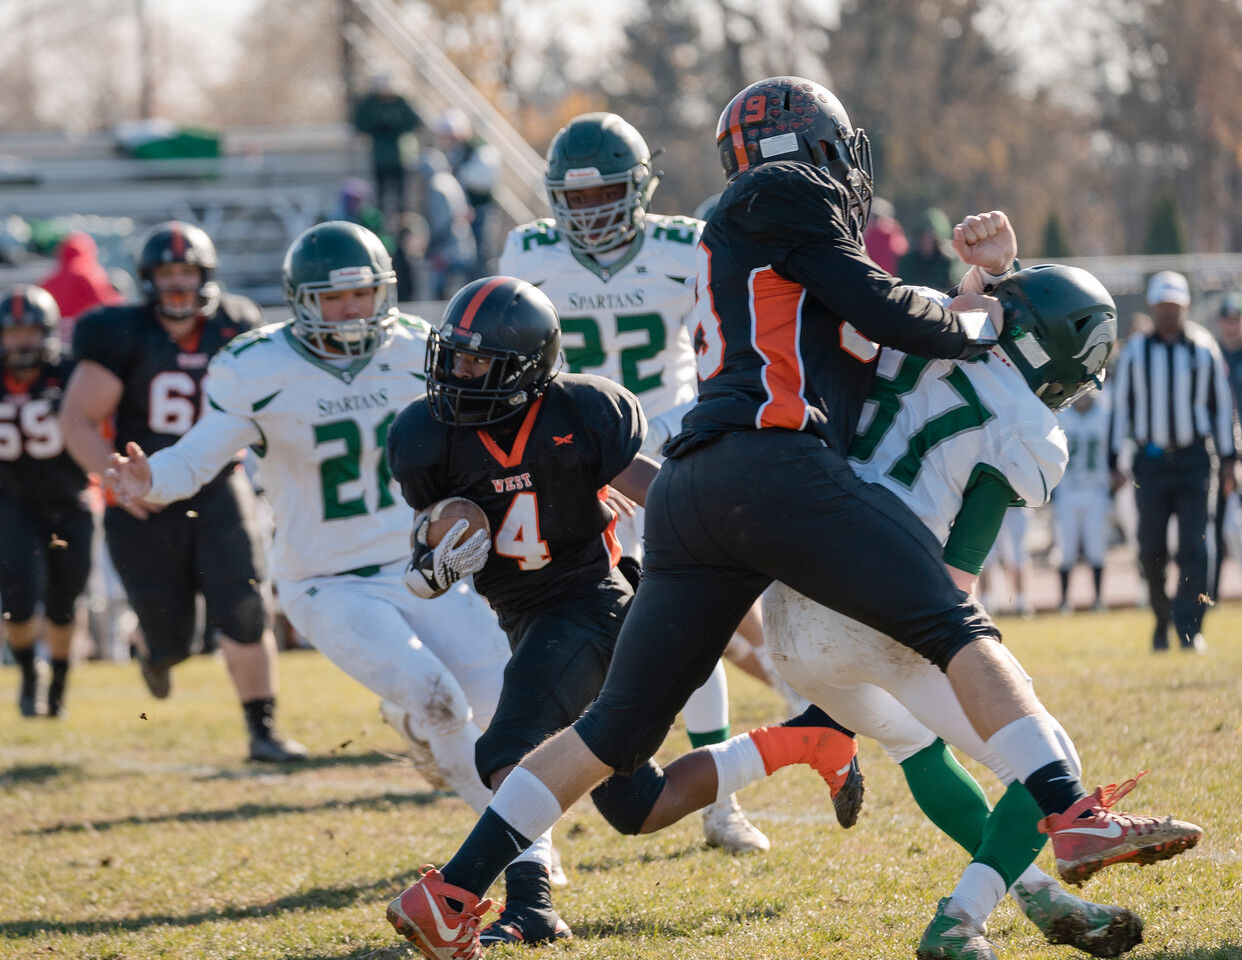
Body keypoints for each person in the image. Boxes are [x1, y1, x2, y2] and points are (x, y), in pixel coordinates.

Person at [761, 263, 1149, 959]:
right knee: (1045, 761)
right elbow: (954, 577)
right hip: (886, 599)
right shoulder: (1030, 425)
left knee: (916, 744)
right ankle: (959, 919)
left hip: (789, 607)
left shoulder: (923, 324)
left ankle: (1043, 899)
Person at [385, 276, 771, 947]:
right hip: (525, 617)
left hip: (592, 604)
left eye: (478, 362)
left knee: (509, 747)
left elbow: (661, 493)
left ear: (527, 369)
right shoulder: (426, 434)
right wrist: (432, 553)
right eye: (452, 356)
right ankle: (806, 741)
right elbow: (435, 530)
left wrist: (738, 535)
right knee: (639, 806)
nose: (458, 373)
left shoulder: (581, 412)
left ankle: (513, 903)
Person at [103, 221, 509, 812]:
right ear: (301, 302)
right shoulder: (257, 365)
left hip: (423, 564)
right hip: (328, 581)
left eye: (362, 294)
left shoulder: (415, 348)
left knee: (503, 698)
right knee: (437, 697)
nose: (350, 310)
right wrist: (154, 479)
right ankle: (519, 849)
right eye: (333, 297)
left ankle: (445, 756)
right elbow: (200, 455)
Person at [496, 110, 769, 855]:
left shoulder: (688, 244)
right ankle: (554, 788)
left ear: (639, 187)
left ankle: (723, 805)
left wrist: (689, 432)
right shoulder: (528, 251)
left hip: (669, 446)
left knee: (696, 624)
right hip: (578, 457)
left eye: (603, 194)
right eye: (574, 198)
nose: (588, 212)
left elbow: (727, 351)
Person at [59, 220, 304, 762]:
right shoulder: (120, 333)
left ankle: (262, 731)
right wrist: (116, 480)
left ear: (205, 276)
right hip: (145, 501)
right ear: (148, 280)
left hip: (219, 486)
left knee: (243, 607)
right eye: (166, 273)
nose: (177, 284)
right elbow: (76, 420)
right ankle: (153, 651)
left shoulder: (235, 324)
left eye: (186, 271)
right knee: (174, 640)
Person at [1109, 271, 1238, 651]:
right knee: (1150, 548)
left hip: (1196, 459)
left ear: (1184, 307)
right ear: (1152, 307)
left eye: (1174, 306)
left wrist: (1230, 458)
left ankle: (1189, 627)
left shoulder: (1203, 347)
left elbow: (1222, 407)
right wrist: (1115, 460)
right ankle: (1161, 617)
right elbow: (1121, 408)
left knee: (1196, 546)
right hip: (1150, 462)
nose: (1168, 313)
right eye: (1162, 306)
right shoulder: (1135, 351)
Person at [0, 286, 92, 718]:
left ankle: (57, 683)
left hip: (68, 500)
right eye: (13, 332)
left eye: (31, 330)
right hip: (9, 504)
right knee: (17, 600)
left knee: (63, 601)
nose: (21, 341)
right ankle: (27, 675)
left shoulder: (71, 372)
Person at [1055, 391, 1113, 611]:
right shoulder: (1062, 415)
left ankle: (1098, 598)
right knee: (1065, 547)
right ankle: (1063, 601)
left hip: (1096, 488)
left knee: (1096, 545)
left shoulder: (1104, 415)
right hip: (1067, 489)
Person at [352, 74, 422, 221]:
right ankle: (381, 221)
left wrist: (396, 125)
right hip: (380, 157)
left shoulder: (400, 103)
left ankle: (402, 222)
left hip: (398, 157)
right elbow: (360, 123)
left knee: (402, 196)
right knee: (380, 194)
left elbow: (413, 122)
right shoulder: (371, 104)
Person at [38, 231, 122, 344]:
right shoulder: (92, 276)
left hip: (56, 342)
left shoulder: (47, 282)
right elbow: (111, 308)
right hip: (88, 340)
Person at [1212, 294, 1242, 596]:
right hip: (1223, 448)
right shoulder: (1212, 354)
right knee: (1218, 522)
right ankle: (1213, 592)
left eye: (1237, 319)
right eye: (1228, 319)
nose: (1233, 325)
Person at [897, 207, 965, 290]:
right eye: (923, 236)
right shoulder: (908, 261)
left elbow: (957, 287)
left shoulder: (950, 261)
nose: (926, 240)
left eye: (931, 236)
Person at [862, 196, 909, 275]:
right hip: (873, 278)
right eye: (873, 216)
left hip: (888, 279)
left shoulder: (893, 235)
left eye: (877, 217)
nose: (875, 220)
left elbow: (902, 255)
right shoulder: (865, 236)